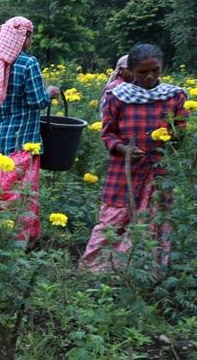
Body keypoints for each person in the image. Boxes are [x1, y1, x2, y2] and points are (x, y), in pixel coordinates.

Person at [80, 43, 188, 271]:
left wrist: (174, 135)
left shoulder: (175, 97)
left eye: (155, 70)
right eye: (142, 72)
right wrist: (124, 149)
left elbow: (181, 134)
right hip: (124, 169)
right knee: (113, 218)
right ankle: (95, 270)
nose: (149, 76)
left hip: (159, 171)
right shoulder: (118, 96)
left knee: (155, 220)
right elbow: (107, 133)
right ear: (131, 71)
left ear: (162, 68)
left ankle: (146, 272)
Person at [0, 16, 61, 240]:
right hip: (24, 140)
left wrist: (5, 111)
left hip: (0, 139)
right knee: (19, 193)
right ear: (25, 37)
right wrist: (49, 92)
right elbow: (36, 101)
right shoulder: (28, 63)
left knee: (2, 186)